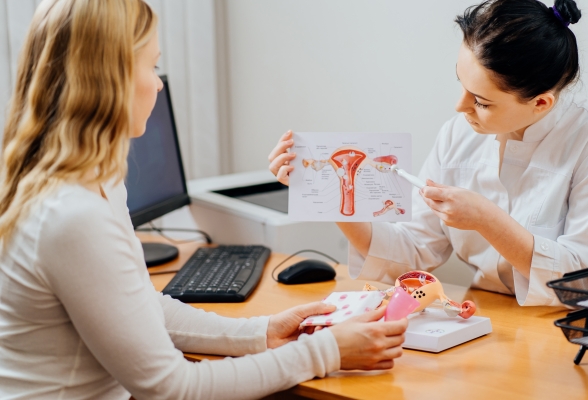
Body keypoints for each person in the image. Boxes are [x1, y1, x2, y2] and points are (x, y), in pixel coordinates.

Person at [0, 0, 407, 398]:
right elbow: (172, 387)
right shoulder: (71, 215)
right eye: (152, 66)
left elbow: (144, 308)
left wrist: (263, 330)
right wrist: (326, 351)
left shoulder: (92, 182)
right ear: (111, 77)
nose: (159, 83)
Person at [268, 0, 588, 307]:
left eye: (480, 101)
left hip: (565, 325)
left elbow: (579, 279)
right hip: (483, 313)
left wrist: (487, 219)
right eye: (461, 85)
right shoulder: (460, 133)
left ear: (541, 102)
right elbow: (413, 250)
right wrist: (332, 196)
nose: (460, 107)